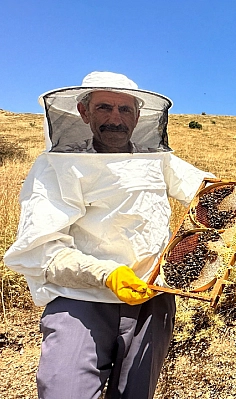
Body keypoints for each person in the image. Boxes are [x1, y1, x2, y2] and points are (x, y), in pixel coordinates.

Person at [3, 71, 214, 398]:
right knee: (66, 391)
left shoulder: (158, 159)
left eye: (125, 109)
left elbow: (207, 191)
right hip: (80, 300)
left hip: (152, 296)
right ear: (84, 112)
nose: (115, 118)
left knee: (135, 393)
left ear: (138, 116)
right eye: (104, 107)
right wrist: (106, 274)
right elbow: (40, 250)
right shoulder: (56, 166)